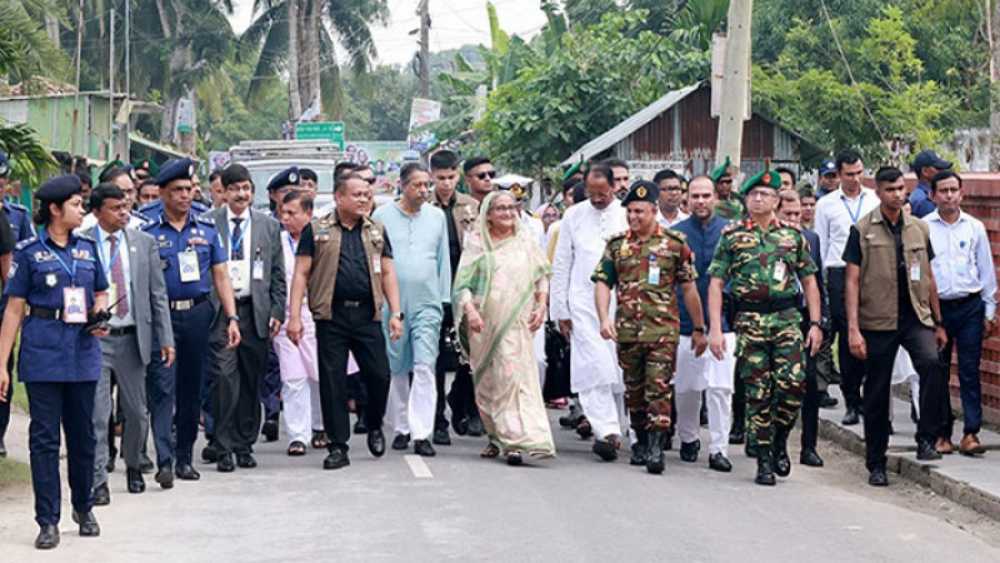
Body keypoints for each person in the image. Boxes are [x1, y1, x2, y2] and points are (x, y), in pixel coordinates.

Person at [0, 175, 110, 549]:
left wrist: (99, 314)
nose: (82, 209)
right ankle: (47, 519)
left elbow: (100, 291)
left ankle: (84, 505)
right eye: (77, 204)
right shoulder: (29, 252)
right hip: (43, 353)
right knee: (44, 441)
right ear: (55, 209)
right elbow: (14, 310)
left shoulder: (88, 247)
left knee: (83, 436)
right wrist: (1, 364)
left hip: (82, 352)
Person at [707, 168, 823, 486]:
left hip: (787, 319)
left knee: (792, 387)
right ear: (746, 199)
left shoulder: (792, 236)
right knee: (758, 393)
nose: (759, 199)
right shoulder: (732, 237)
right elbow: (716, 283)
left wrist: (815, 323)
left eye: (766, 195)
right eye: (754, 194)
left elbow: (810, 281)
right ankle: (764, 459)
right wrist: (716, 328)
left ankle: (780, 439)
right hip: (750, 321)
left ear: (776, 200)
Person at [287, 172, 403, 470]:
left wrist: (396, 313)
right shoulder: (317, 230)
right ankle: (338, 445)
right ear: (339, 198)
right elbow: (301, 273)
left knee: (379, 375)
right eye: (357, 194)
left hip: (368, 314)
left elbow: (388, 272)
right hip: (331, 315)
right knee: (333, 381)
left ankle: (375, 423)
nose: (364, 199)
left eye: (367, 194)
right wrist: (295, 317)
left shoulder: (376, 229)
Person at [843, 166, 949, 487]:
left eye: (901, 188)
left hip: (914, 316)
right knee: (876, 389)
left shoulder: (919, 228)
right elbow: (852, 281)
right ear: (879, 193)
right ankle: (877, 460)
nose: (897, 194)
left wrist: (938, 321)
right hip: (877, 319)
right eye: (890, 189)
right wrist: (853, 329)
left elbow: (928, 276)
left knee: (932, 364)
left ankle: (926, 437)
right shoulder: (863, 229)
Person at [594, 180, 705, 474]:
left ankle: (657, 447)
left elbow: (689, 288)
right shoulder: (617, 245)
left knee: (658, 388)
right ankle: (640, 441)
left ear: (654, 210)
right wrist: (604, 318)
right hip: (628, 331)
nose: (634, 217)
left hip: (662, 332)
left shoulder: (674, 244)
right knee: (634, 389)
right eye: (630, 211)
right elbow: (603, 283)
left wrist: (699, 327)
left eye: (640, 211)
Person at [142, 158, 241, 488]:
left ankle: (185, 457)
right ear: (162, 193)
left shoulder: (206, 228)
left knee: (191, 388)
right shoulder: (147, 230)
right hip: (162, 317)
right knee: (162, 387)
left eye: (189, 189)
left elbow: (221, 275)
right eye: (178, 190)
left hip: (198, 314)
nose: (185, 195)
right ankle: (165, 459)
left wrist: (231, 317)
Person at [84, 183, 175, 503]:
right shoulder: (83, 243)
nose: (123, 213)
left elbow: (157, 294)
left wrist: (165, 338)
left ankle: (134, 463)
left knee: (137, 411)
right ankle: (98, 480)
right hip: (96, 340)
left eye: (126, 207)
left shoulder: (143, 242)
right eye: (115, 208)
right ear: (96, 212)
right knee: (98, 413)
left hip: (133, 338)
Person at [453, 191, 555, 466]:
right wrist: (471, 312)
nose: (507, 213)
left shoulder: (525, 242)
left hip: (516, 322)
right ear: (488, 214)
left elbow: (541, 275)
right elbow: (462, 284)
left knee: (513, 376)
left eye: (511, 208)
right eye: (500, 209)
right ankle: (495, 436)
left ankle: (518, 440)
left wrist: (542, 304)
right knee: (488, 382)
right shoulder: (477, 243)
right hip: (483, 324)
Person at [205, 164, 285, 472]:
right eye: (235, 188)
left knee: (252, 378)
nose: (241, 194)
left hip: (256, 310)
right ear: (223, 192)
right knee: (225, 378)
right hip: (222, 312)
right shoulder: (209, 223)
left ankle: (244, 443)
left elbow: (278, 273)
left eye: (246, 188)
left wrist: (277, 310)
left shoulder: (268, 225)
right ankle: (222, 444)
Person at [550, 163, 629, 460]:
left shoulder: (626, 213)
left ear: (614, 187)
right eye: (591, 193)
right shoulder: (573, 215)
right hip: (581, 301)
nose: (596, 199)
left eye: (602, 193)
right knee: (593, 364)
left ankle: (624, 426)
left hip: (621, 301)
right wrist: (560, 309)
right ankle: (606, 431)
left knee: (618, 366)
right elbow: (562, 263)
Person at [374, 163, 451, 457]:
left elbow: (443, 259)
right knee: (397, 365)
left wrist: (445, 299)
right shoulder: (381, 217)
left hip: (428, 302)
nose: (423, 191)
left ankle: (422, 432)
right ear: (402, 185)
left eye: (426, 185)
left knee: (424, 365)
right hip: (391, 303)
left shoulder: (436, 218)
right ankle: (402, 426)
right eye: (417, 185)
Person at [925, 171, 996, 456]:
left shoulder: (974, 227)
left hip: (969, 305)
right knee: (938, 371)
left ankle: (971, 432)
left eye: (954, 190)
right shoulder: (923, 227)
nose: (949, 195)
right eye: (943, 190)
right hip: (938, 308)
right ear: (933, 195)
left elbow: (986, 269)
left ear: (962, 193)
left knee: (969, 370)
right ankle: (942, 433)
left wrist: (990, 310)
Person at [671, 176, 737, 472]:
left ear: (715, 198)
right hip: (685, 324)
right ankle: (687, 437)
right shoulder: (675, 236)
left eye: (706, 195)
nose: (700, 201)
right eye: (695, 196)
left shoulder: (731, 232)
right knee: (686, 388)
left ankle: (719, 448)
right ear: (687, 199)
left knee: (721, 388)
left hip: (723, 324)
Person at [813, 149, 880, 426]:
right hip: (839, 273)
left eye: (859, 172)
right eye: (849, 174)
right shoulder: (826, 205)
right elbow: (821, 245)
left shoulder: (875, 200)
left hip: (873, 272)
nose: (855, 178)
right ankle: (851, 400)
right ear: (839, 175)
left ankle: (871, 398)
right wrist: (824, 286)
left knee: (874, 333)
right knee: (847, 335)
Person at [428, 150, 481, 445]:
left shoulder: (471, 207)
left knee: (470, 352)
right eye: (440, 178)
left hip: (466, 289)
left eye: (450, 177)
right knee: (434, 355)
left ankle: (467, 405)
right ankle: (437, 418)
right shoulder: (424, 206)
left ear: (457, 175)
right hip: (435, 289)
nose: (446, 184)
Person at [775, 190, 826, 467]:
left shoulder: (811, 239)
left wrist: (821, 322)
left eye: (798, 215)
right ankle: (776, 442)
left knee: (809, 385)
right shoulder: (768, 242)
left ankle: (809, 446)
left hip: (807, 319)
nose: (795, 220)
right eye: (788, 215)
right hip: (778, 317)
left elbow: (817, 283)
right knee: (779, 387)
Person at [275, 191, 323, 455]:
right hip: (286, 317)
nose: (285, 218)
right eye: (282, 212)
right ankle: (298, 435)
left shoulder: (321, 239)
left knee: (318, 375)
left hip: (317, 315)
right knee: (293, 377)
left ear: (308, 214)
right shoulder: (276, 241)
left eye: (292, 213)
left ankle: (320, 425)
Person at [908, 150, 952, 219]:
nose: (942, 171)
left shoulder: (921, 195)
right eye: (938, 168)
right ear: (925, 171)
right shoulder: (924, 200)